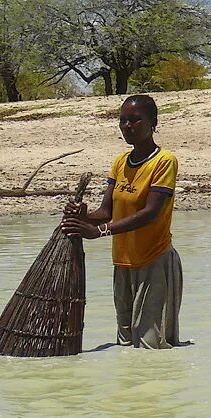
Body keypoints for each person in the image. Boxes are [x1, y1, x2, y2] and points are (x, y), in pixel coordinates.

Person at [61, 94, 183, 349]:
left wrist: (99, 231)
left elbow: (151, 212)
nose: (128, 126)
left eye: (136, 120)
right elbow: (106, 211)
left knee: (151, 346)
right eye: (123, 120)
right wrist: (82, 216)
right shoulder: (120, 162)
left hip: (153, 260)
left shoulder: (164, 161)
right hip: (122, 262)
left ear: (153, 123)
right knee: (125, 344)